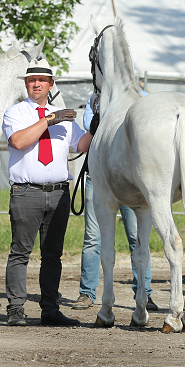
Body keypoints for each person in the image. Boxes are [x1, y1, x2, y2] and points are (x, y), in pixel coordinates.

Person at [3, 56, 92, 326]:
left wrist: (98, 123)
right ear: (26, 85)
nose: (36, 84)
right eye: (31, 80)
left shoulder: (62, 116)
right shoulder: (16, 113)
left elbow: (82, 144)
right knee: (21, 252)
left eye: (41, 80)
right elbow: (18, 141)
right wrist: (49, 120)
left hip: (59, 193)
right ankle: (16, 309)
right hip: (26, 191)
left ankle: (50, 310)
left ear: (51, 83)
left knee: (53, 255)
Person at [73, 92, 156, 312]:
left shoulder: (144, 98)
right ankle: (87, 292)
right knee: (93, 238)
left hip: (130, 179)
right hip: (99, 177)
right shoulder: (96, 100)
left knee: (137, 238)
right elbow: (94, 130)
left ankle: (144, 292)